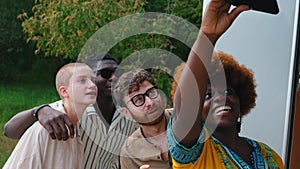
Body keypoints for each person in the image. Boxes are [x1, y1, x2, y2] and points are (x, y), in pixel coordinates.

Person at [167, 0, 284, 168]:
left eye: (228, 91)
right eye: (208, 95)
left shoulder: (269, 155)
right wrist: (207, 36)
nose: (221, 98)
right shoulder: (194, 154)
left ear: (242, 100)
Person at [4, 53, 138, 169]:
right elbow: (10, 130)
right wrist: (39, 110)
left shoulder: (130, 117)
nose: (114, 78)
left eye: (118, 73)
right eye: (105, 73)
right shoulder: (64, 113)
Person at [3, 63, 97, 169]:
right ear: (64, 91)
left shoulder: (79, 125)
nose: (92, 85)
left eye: (93, 80)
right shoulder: (47, 129)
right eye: (82, 81)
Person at [113, 69, 173, 169]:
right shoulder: (129, 153)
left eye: (151, 93)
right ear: (126, 112)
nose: (150, 102)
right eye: (139, 99)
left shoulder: (185, 118)